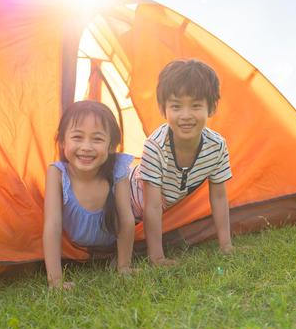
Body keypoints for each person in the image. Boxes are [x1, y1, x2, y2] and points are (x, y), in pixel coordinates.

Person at [130, 59, 233, 266]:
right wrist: (157, 258)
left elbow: (219, 197)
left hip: (161, 207)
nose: (186, 116)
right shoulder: (155, 146)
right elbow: (152, 207)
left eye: (196, 106)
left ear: (211, 108)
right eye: (176, 106)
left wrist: (226, 245)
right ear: (163, 109)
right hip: (127, 198)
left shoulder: (217, 146)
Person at [43, 100, 135, 289]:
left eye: (97, 139)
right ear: (62, 141)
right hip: (76, 250)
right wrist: (56, 280)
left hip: (111, 247)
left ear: (111, 146)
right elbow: (52, 225)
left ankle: (115, 259)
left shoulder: (118, 170)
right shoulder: (58, 174)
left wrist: (124, 266)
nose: (86, 147)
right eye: (77, 137)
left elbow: (126, 219)